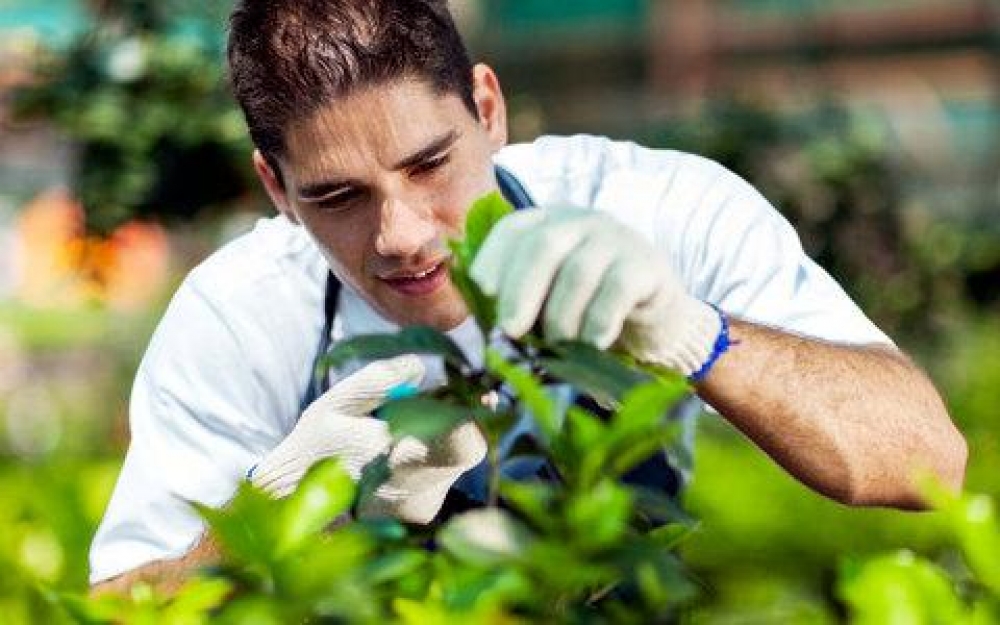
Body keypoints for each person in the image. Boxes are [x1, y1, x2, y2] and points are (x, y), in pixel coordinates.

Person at [89, 0, 967, 593]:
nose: (401, 233)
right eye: (337, 197)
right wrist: (266, 521)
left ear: (487, 107)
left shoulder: (661, 206)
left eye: (430, 165)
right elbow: (115, 604)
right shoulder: (238, 315)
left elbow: (929, 460)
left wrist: (694, 335)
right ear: (276, 190)